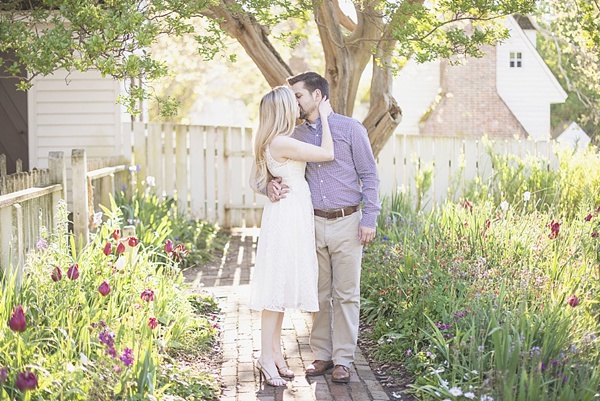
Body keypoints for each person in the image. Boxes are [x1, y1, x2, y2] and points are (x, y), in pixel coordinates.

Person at [267, 71, 381, 383]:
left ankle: (343, 359)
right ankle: (322, 355)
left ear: (317, 96)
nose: (296, 102)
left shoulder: (351, 128)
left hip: (348, 221)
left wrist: (369, 218)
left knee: (346, 293)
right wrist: (268, 187)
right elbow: (276, 170)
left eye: (299, 96)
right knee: (318, 293)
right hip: (311, 222)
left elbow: (370, 175)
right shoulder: (295, 135)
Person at [248, 85, 334, 387]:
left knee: (281, 290)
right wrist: (324, 117)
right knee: (275, 291)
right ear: (283, 109)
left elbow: (254, 180)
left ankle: (276, 353)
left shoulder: (273, 140)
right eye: (293, 102)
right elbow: (327, 153)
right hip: (286, 218)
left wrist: (266, 186)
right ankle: (266, 359)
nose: (298, 106)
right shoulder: (282, 142)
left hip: (289, 215)